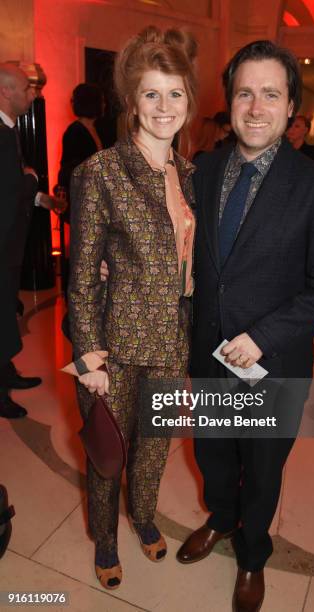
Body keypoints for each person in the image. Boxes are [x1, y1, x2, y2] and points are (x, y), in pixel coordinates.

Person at [176, 40, 314, 611]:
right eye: (244, 92)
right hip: (207, 357)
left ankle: (253, 555)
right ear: (228, 101)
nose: (255, 107)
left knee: (263, 463)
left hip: (272, 365)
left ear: (291, 106)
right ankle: (221, 519)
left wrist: (265, 335)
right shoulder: (200, 170)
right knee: (212, 454)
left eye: (270, 94)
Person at [67, 26, 197, 590]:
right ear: (131, 102)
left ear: (189, 100)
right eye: (152, 93)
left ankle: (143, 517)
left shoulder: (190, 175)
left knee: (154, 450)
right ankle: (105, 538)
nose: (164, 107)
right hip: (114, 348)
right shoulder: (99, 174)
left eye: (175, 93)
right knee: (107, 454)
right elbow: (82, 274)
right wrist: (88, 356)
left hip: (172, 341)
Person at [0, 63, 65, 419]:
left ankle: (6, 372)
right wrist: (30, 179)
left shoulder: (9, 130)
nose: (34, 94)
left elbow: (16, 188)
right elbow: (8, 190)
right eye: (27, 88)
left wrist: (39, 196)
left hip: (10, 244)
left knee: (5, 311)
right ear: (7, 91)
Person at [58, 83, 105, 223]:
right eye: (101, 101)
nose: (104, 104)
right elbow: (71, 168)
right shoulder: (74, 131)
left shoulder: (100, 128)